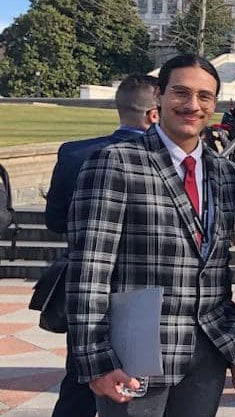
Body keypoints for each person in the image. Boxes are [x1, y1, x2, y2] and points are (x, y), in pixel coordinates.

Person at [65, 54, 235, 416]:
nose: (193, 105)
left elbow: (216, 267)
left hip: (207, 351)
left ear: (215, 104)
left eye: (204, 96)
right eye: (181, 92)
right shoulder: (117, 161)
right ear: (160, 97)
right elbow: (89, 269)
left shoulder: (225, 173)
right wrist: (96, 360)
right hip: (137, 350)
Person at [44, 75, 159, 417]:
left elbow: (54, 221)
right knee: (134, 392)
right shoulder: (164, 160)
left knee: (78, 384)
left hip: (82, 285)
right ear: (154, 113)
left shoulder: (74, 152)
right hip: (143, 292)